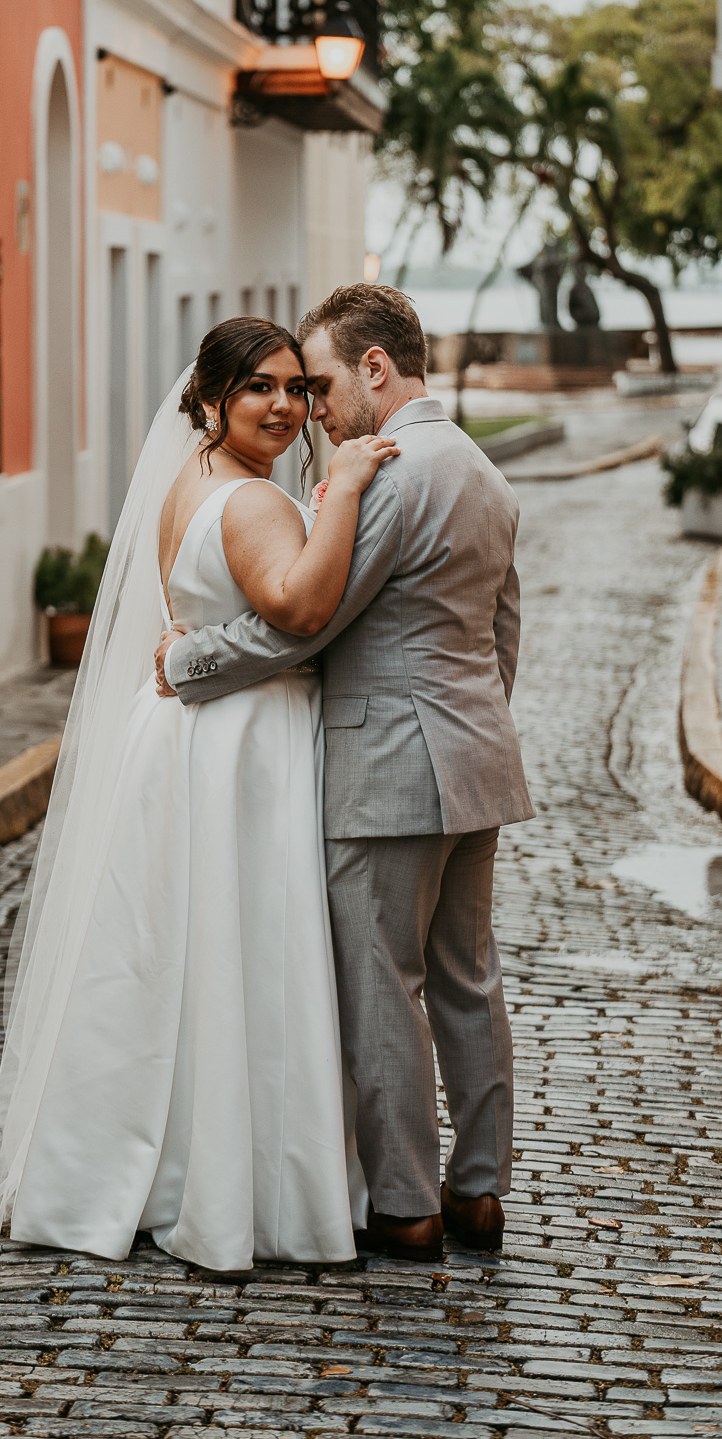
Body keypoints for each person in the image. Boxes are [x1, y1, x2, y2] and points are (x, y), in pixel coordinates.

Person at [0, 318, 397, 1272]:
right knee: (247, 950)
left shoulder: (188, 480)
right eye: (260, 390)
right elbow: (299, 608)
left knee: (179, 960)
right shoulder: (251, 502)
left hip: (186, 738)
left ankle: (149, 1166)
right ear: (212, 399)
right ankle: (250, 1189)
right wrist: (348, 493)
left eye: (296, 388)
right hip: (244, 741)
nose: (285, 406)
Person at [156, 284, 534, 1262]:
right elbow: (503, 633)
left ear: (375, 370)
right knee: (468, 979)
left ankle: (406, 1204)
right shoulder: (486, 472)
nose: (313, 412)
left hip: (387, 765)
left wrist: (185, 662)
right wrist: (474, 725)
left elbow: (305, 622)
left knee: (383, 986)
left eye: (320, 386)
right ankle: (480, 1192)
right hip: (477, 757)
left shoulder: (396, 473)